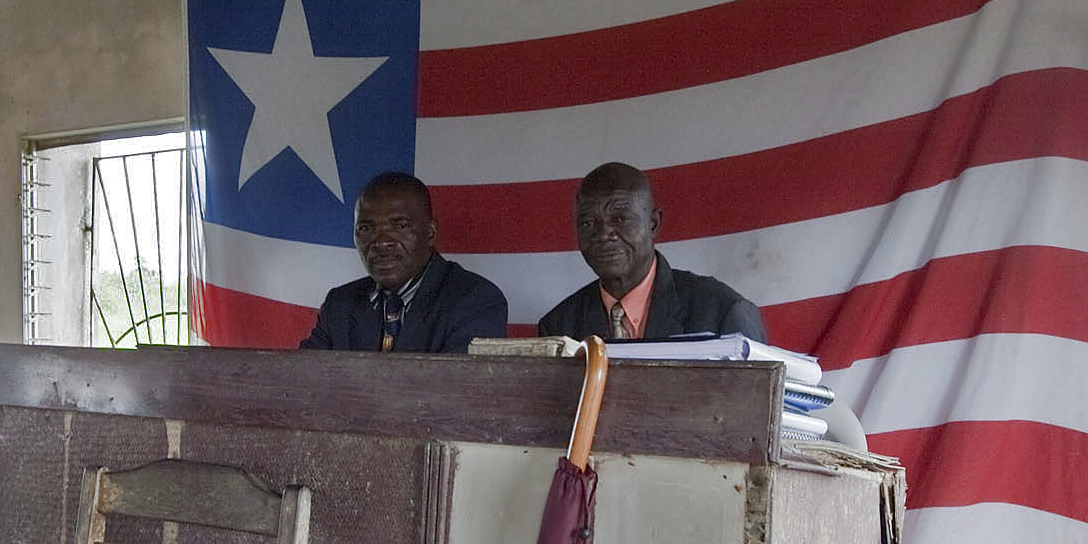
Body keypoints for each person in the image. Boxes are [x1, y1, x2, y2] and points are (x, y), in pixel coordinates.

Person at [536, 161, 766, 343]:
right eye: (587, 223)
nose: (603, 234)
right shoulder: (559, 328)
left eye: (620, 218)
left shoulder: (722, 312)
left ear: (654, 223)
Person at [298, 171, 509, 354]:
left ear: (430, 233)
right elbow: (300, 383)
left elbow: (455, 394)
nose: (381, 242)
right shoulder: (340, 305)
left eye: (400, 226)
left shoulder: (475, 301)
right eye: (366, 228)